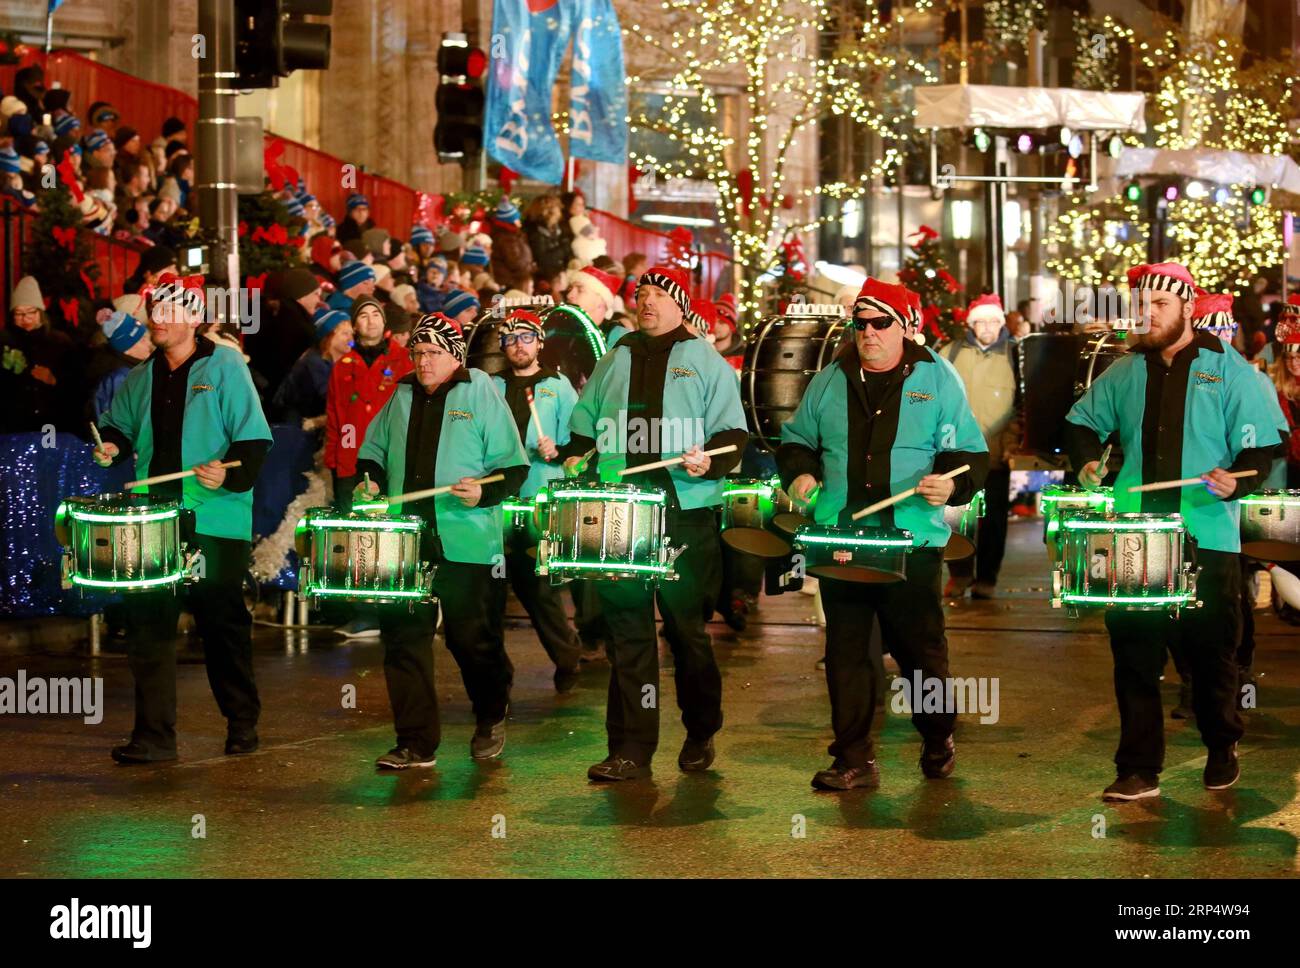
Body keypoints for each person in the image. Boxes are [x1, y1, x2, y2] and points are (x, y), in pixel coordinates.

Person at [1065, 262, 1285, 801]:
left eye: (1158, 305)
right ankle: (1139, 769)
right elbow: (1080, 422)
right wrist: (1090, 462)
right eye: (1140, 305)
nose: (1147, 314)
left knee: (1211, 653)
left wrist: (1237, 481)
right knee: (1134, 654)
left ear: (1187, 305)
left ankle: (1221, 746)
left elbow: (1263, 446)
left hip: (1204, 533)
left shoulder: (1229, 369)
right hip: (1135, 532)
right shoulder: (1125, 370)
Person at [777, 278, 989, 790]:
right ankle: (852, 758)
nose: (868, 333)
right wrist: (800, 473)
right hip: (843, 535)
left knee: (919, 653)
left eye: (880, 324)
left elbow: (970, 456)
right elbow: (796, 442)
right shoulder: (830, 379)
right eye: (860, 324)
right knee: (847, 652)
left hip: (911, 539)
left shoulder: (937, 378)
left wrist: (951, 486)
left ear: (904, 326)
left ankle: (938, 735)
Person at [560, 265, 748, 781]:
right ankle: (631, 748)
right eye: (639, 294)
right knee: (628, 632)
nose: (644, 302)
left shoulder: (705, 360)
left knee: (687, 631)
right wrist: (576, 455)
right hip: (623, 514)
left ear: (679, 304)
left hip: (684, 514)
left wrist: (710, 457)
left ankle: (701, 729)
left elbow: (734, 433)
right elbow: (584, 423)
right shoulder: (616, 355)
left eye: (655, 295)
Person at [92, 274, 273, 763]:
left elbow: (254, 440)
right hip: (154, 517)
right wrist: (111, 445)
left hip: (213, 519)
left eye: (171, 310)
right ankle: (153, 737)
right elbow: (119, 426)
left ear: (195, 318)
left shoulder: (226, 364)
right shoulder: (142, 375)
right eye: (155, 309)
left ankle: (241, 722)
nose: (159, 318)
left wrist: (229, 477)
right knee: (149, 625)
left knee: (221, 624)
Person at [352, 313, 529, 769]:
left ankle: (491, 713)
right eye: (417, 353)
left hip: (467, 539)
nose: (423, 361)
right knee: (402, 639)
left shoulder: (482, 391)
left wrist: (484, 491)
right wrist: (369, 481)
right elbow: (371, 451)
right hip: (405, 539)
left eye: (432, 353)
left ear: (454, 355)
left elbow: (514, 467)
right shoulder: (402, 394)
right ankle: (415, 742)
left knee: (470, 639)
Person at [490, 309, 583, 692]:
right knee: (489, 590)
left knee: (537, 589)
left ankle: (566, 657)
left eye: (526, 338)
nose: (518, 346)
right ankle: (495, 671)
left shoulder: (558, 386)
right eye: (511, 340)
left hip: (536, 498)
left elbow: (580, 443)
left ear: (540, 343)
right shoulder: (488, 386)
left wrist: (558, 450)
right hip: (494, 498)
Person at [941, 293, 1019, 599]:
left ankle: (987, 578)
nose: (987, 327)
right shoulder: (951, 352)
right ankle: (959, 575)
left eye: (993, 321)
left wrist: (1012, 443)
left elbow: (1022, 407)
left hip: (996, 453)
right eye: (981, 321)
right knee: (956, 515)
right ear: (971, 324)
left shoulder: (1015, 355)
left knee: (994, 520)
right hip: (957, 452)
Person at [0, 275, 74, 434]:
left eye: (30, 312)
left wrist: (53, 380)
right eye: (18, 313)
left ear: (40, 312)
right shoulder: (4, 341)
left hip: (52, 423)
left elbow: (76, 384)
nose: (24, 318)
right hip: (13, 423)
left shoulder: (60, 342)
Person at [270, 309, 352, 425]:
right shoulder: (314, 361)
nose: (351, 339)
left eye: (351, 334)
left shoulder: (341, 362)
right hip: (293, 423)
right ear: (328, 337)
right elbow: (329, 395)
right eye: (345, 334)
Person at [87, 296, 153, 420]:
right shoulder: (120, 379)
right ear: (127, 348)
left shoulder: (133, 368)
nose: (148, 344)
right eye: (142, 340)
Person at [1271, 311, 1300, 488]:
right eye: (1289, 358)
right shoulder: (1277, 389)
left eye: (1298, 357)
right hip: (1287, 466)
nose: (1293, 363)